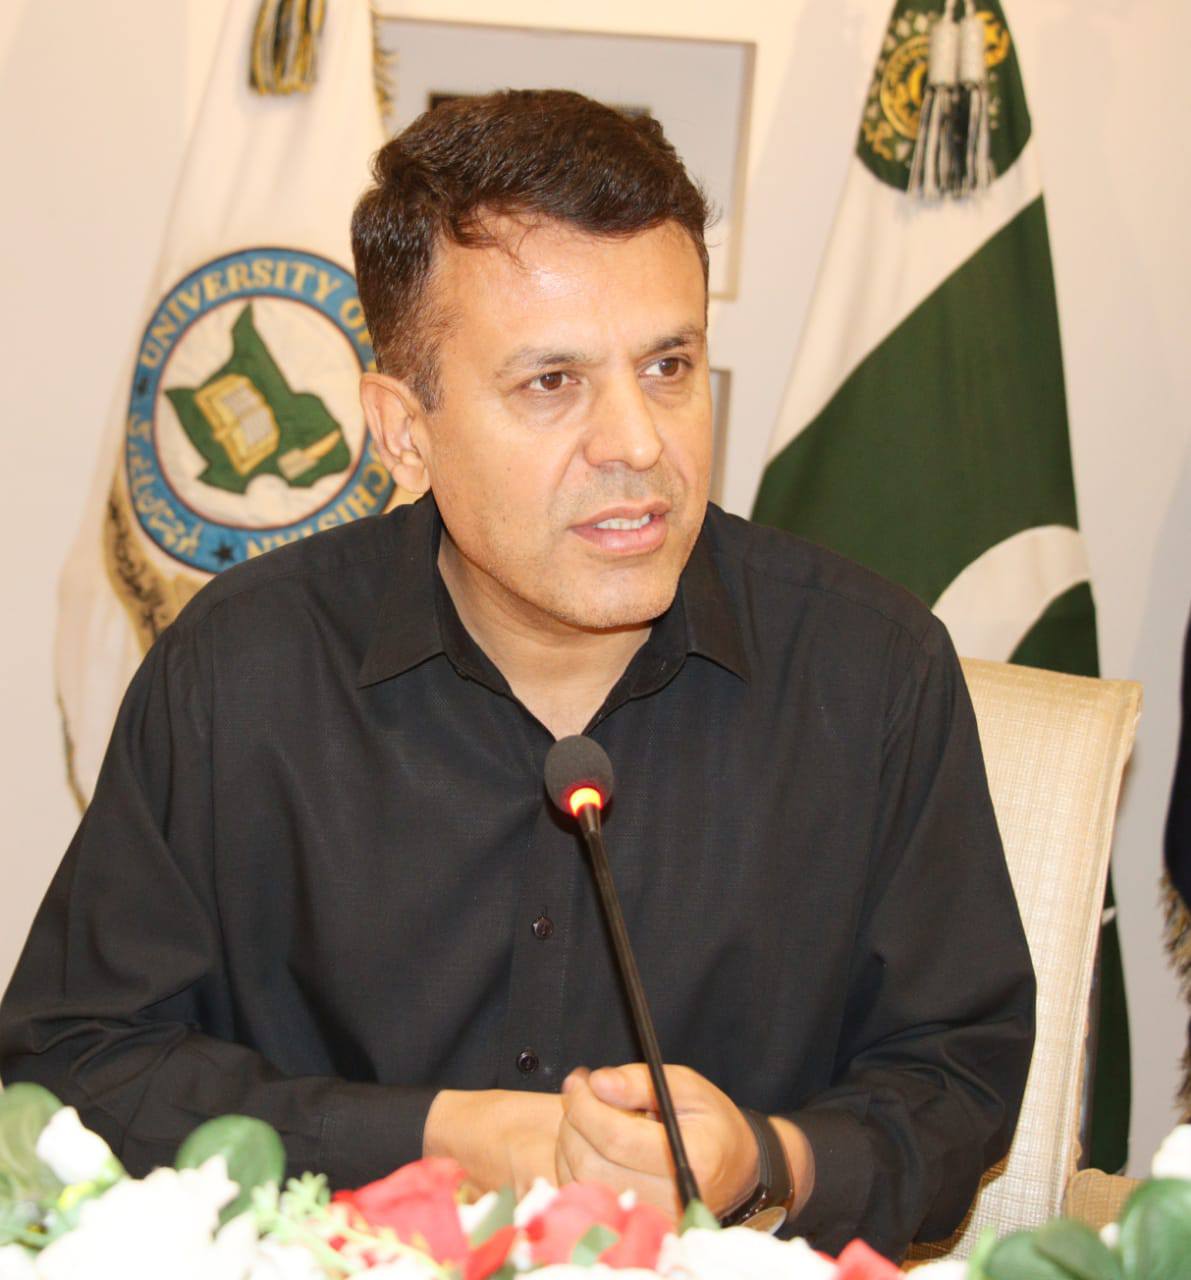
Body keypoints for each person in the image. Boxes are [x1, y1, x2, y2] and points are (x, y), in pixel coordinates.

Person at [0, 90, 1034, 1260]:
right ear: (403, 429)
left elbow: (956, 1073)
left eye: (669, 365)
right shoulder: (240, 672)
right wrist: (436, 1138)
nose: (637, 443)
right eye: (552, 383)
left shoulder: (872, 672)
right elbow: (75, 1062)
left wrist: (765, 1159)